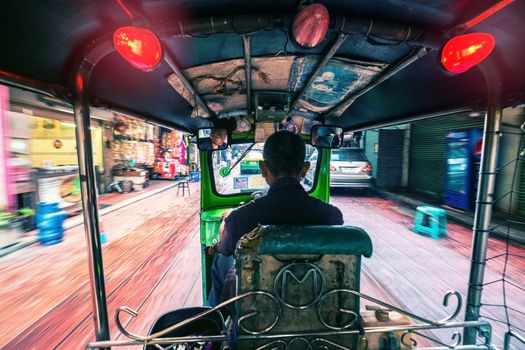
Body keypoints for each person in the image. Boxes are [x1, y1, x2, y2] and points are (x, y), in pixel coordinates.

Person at [208, 130, 343, 310]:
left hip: (255, 312)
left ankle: (212, 323)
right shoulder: (332, 216)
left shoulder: (240, 218)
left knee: (221, 261)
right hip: (314, 304)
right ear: (305, 168)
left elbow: (225, 249)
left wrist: (223, 230)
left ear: (263, 168)